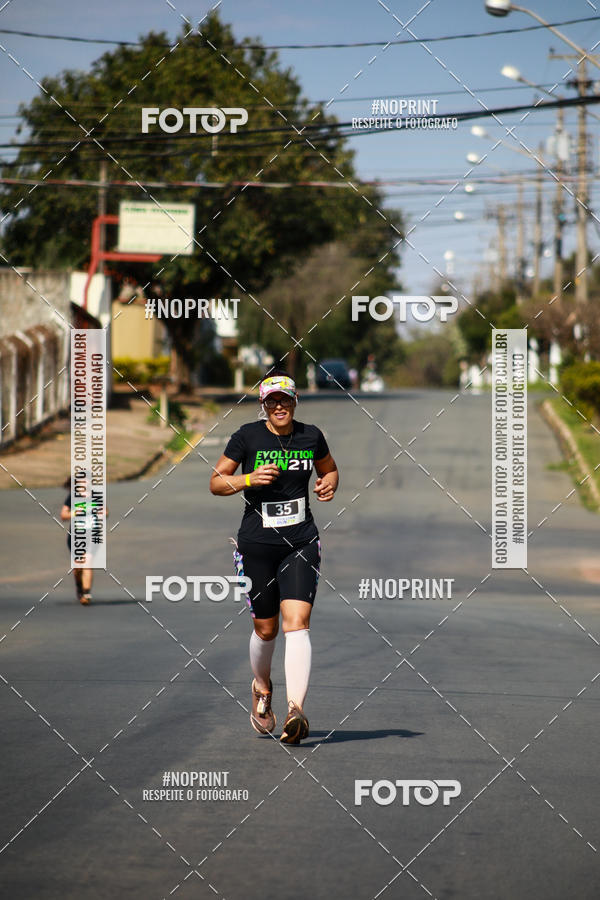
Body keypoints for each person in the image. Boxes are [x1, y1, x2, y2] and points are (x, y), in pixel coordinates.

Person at [209, 371, 339, 744]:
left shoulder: (311, 436)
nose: (279, 406)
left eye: (285, 400)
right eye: (271, 401)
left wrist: (329, 483)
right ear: (263, 405)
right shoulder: (247, 437)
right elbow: (216, 482)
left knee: (297, 622)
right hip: (256, 545)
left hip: (301, 541)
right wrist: (249, 479)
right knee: (266, 629)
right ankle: (262, 686)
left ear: (295, 401)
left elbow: (329, 469)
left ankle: (296, 710)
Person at [60, 476, 107, 605]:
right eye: (82, 480)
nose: (85, 482)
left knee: (88, 562)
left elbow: (105, 511)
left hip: (92, 534)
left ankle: (86, 594)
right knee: (78, 567)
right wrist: (76, 512)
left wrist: (102, 513)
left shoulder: (96, 496)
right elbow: (63, 515)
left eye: (88, 480)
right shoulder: (73, 497)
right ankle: (79, 587)